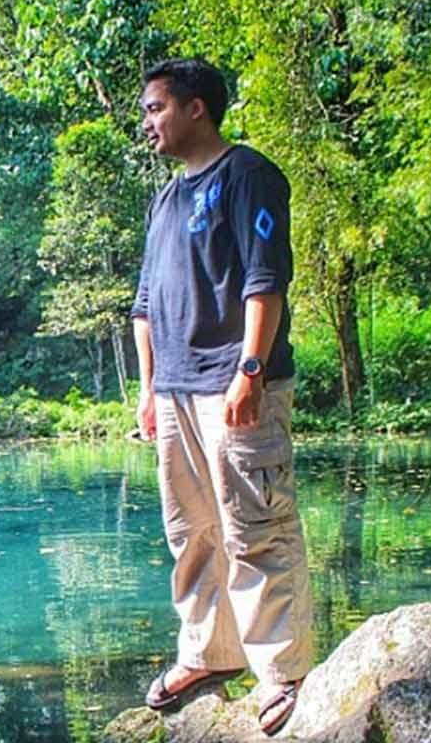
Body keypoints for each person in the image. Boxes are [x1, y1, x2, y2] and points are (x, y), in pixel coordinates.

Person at [131, 58, 313, 737]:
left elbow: (265, 280)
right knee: (193, 534)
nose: (147, 123)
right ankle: (210, 653)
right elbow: (145, 303)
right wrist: (148, 389)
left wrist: (250, 371)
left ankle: (283, 671)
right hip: (175, 390)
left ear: (196, 108)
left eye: (155, 108)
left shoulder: (248, 175)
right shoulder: (166, 199)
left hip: (234, 386)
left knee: (257, 529)